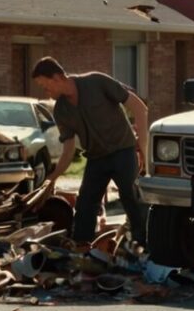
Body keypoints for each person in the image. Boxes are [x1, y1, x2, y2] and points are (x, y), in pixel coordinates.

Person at [31, 56, 149, 247]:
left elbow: (139, 108)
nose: (46, 91)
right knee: (85, 204)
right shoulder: (61, 110)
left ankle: (144, 246)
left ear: (57, 77)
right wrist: (51, 179)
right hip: (96, 159)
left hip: (123, 152)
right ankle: (81, 249)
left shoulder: (96, 82)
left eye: (46, 86)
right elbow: (68, 150)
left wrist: (143, 147)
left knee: (133, 199)